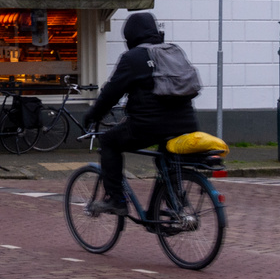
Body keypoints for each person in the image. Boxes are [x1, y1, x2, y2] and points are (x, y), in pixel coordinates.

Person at [81, 11, 198, 215]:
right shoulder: (174, 52)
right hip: (186, 123)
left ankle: (116, 199)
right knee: (166, 157)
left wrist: (92, 115)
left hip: (149, 126)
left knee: (109, 141)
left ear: (131, 36)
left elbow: (111, 93)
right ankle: (174, 202)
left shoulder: (133, 58)